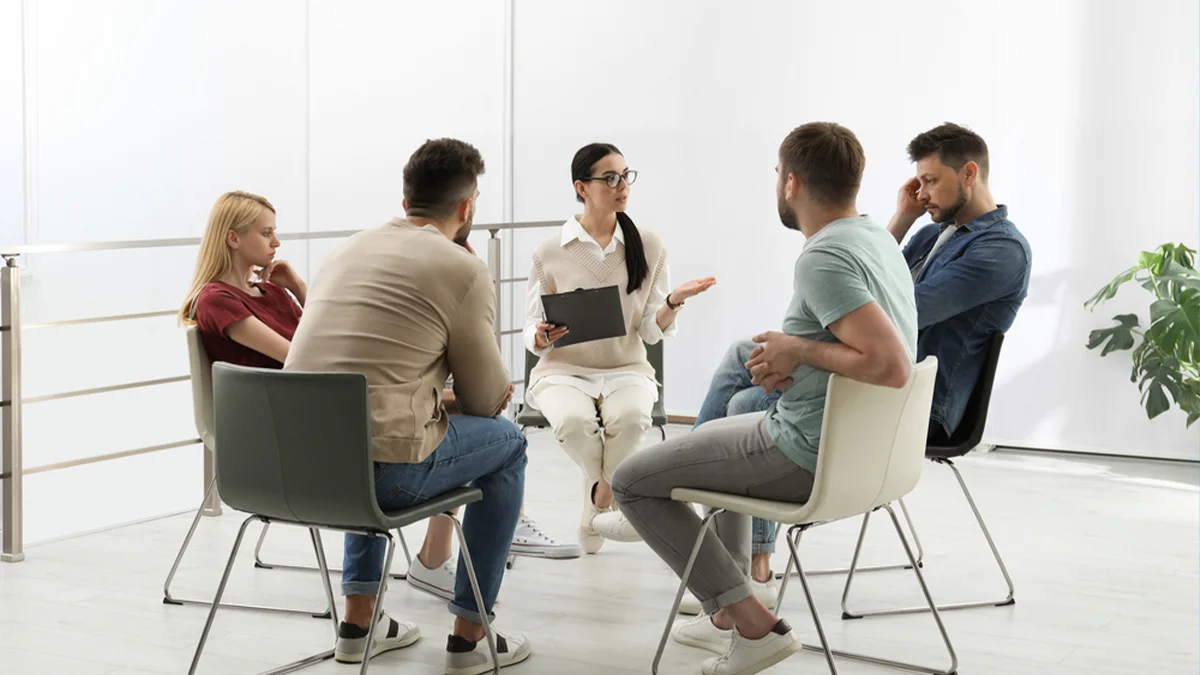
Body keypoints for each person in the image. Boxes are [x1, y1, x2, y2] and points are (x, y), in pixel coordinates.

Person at [612, 122, 918, 675]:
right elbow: (865, 352)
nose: (777, 183)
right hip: (859, 452)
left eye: (778, 174)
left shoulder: (821, 257)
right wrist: (795, 360)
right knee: (708, 438)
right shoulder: (875, 238)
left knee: (630, 483)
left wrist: (798, 350)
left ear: (792, 184)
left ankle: (753, 626)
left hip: (805, 454)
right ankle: (728, 603)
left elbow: (892, 366)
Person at [686, 122, 1032, 599]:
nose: (923, 192)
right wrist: (904, 217)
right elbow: (873, 270)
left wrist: (803, 342)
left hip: (914, 403)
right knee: (745, 360)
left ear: (969, 173)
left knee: (748, 403)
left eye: (931, 181)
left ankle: (738, 560)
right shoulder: (937, 235)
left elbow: (897, 305)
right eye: (920, 182)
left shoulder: (1001, 249)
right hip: (869, 378)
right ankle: (735, 551)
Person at [177, 191, 504, 616]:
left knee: (441, 413)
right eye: (266, 232)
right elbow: (301, 361)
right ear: (233, 238)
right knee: (472, 426)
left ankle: (414, 570)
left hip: (324, 420)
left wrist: (295, 287)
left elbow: (332, 335)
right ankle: (448, 581)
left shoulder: (271, 293)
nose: (276, 242)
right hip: (287, 438)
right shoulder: (216, 300)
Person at [284, 139, 531, 673]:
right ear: (467, 208)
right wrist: (458, 396)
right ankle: (470, 634)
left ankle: (358, 622)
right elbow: (486, 402)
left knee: (357, 428)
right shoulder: (462, 268)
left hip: (290, 470)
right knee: (509, 444)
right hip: (377, 478)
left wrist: (431, 395)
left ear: (405, 202)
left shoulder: (343, 250)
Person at [522, 142, 716, 553]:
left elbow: (648, 331)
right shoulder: (549, 251)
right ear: (582, 187)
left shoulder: (648, 245)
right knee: (574, 425)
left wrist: (673, 302)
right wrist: (538, 336)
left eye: (625, 175)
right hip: (562, 371)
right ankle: (604, 495)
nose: (622, 185)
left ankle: (597, 501)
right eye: (609, 177)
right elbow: (530, 324)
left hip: (627, 368)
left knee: (630, 421)